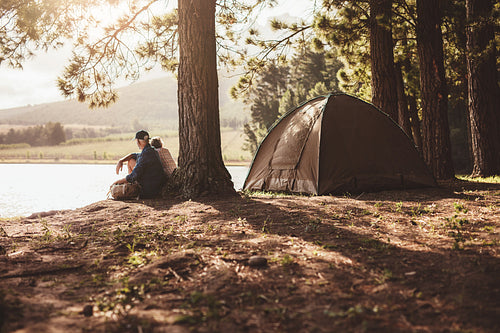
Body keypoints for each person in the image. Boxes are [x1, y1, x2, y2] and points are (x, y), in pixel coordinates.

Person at [113, 130, 166, 199]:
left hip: (149, 190)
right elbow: (133, 155)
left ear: (138, 141)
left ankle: (132, 186)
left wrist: (117, 182)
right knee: (131, 160)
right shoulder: (151, 150)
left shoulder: (145, 155)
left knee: (131, 163)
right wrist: (121, 161)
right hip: (157, 186)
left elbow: (133, 176)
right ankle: (132, 185)